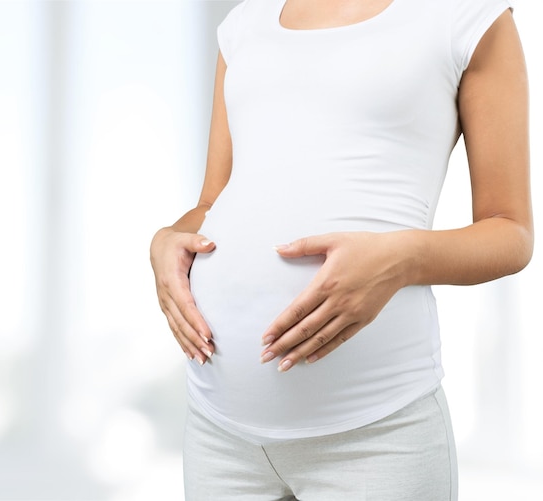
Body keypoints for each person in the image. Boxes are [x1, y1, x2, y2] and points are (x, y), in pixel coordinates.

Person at [150, 0, 533, 499]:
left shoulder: (467, 16)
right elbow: (211, 202)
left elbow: (511, 233)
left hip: (375, 435)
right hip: (218, 432)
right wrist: (165, 241)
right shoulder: (245, 24)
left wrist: (401, 259)